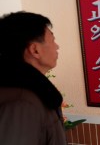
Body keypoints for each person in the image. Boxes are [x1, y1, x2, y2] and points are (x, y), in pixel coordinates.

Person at [0, 11, 67, 145]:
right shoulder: (21, 103)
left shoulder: (32, 93)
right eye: (53, 40)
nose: (57, 46)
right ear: (35, 50)